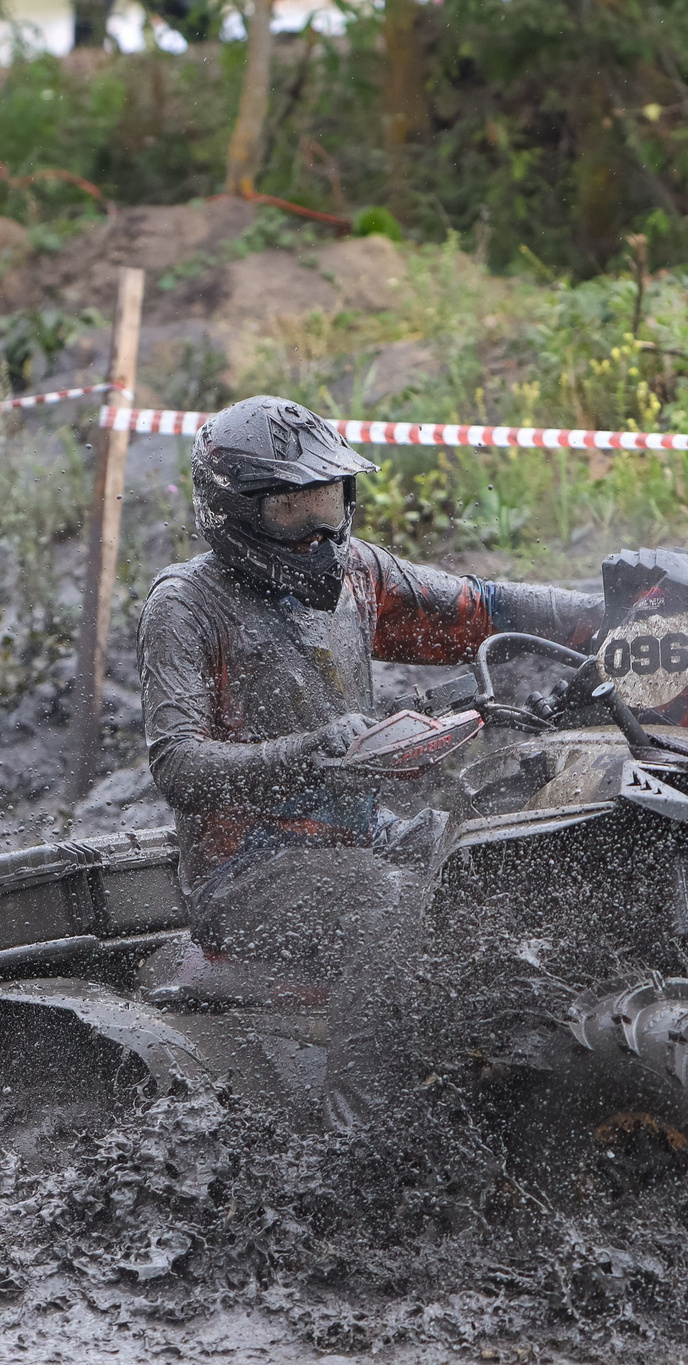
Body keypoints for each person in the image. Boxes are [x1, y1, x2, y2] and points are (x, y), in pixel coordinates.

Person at [140, 395, 602, 1129]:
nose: (319, 530)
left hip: (367, 834)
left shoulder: (358, 573)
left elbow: (481, 608)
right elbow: (177, 765)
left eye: (328, 500)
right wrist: (315, 751)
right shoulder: (187, 604)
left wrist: (614, 612)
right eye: (292, 509)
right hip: (247, 872)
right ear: (234, 511)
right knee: (394, 905)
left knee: (508, 856)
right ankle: (361, 1140)